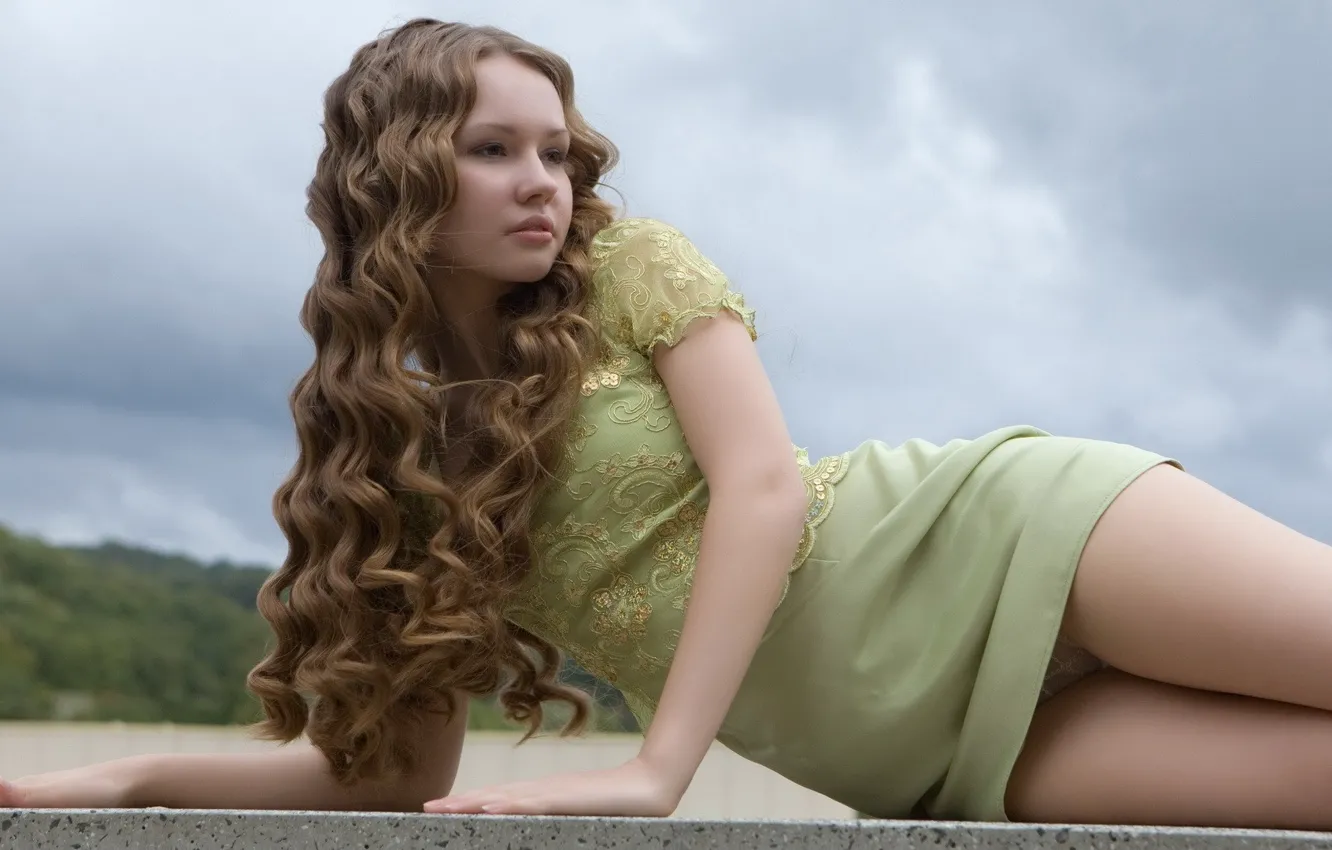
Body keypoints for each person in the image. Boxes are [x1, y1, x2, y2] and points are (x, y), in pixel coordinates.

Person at [4, 17, 1332, 830]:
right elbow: (390, 776)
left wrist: (657, 765)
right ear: (394, 177)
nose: (545, 183)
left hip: (1000, 539)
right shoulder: (401, 457)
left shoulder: (632, 266)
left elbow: (759, 486)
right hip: (933, 750)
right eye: (494, 150)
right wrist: (119, 784)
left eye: (556, 150)